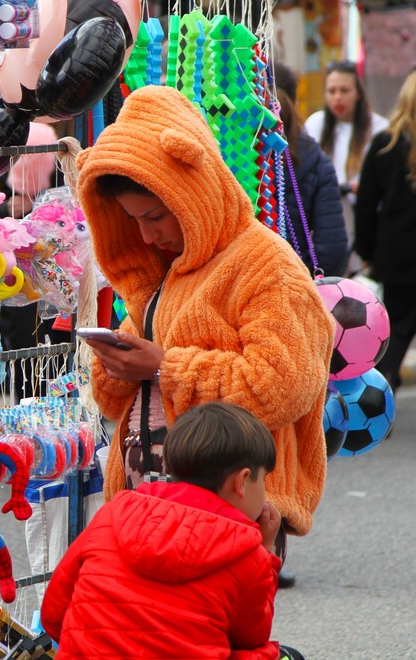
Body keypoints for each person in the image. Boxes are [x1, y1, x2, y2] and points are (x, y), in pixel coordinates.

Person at [75, 85, 333, 557]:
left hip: (228, 511)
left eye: (156, 216)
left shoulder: (267, 266)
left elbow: (279, 386)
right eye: (133, 221)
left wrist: (162, 367)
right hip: (147, 506)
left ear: (194, 190)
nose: (147, 236)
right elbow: (114, 402)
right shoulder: (166, 273)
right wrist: (116, 365)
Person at [41, 402, 284, 659]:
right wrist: (266, 552)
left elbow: (54, 614)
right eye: (263, 480)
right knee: (269, 653)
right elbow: (251, 637)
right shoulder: (248, 556)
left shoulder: (112, 514)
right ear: (242, 481)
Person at [355, 69, 416, 393]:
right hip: (397, 258)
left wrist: (366, 251)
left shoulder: (384, 144)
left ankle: (383, 385)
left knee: (396, 331)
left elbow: (366, 203)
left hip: (396, 256)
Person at [303, 60, 388, 274]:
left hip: (363, 219)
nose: (337, 97)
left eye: (344, 90)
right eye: (331, 91)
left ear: (358, 92)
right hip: (325, 216)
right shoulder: (315, 124)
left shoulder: (379, 128)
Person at [272, 63, 349, 278]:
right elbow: (333, 248)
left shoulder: (230, 150)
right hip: (295, 281)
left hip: (237, 283)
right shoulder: (316, 161)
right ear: (295, 103)